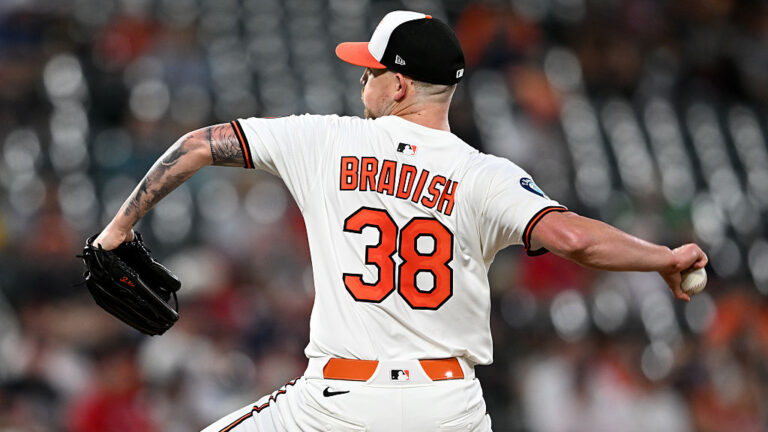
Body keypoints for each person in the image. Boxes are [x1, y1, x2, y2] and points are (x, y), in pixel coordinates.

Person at [91, 10, 708, 432]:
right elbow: (574, 239)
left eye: (373, 69)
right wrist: (665, 258)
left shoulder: (324, 141)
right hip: (451, 408)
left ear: (401, 86)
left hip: (342, 405)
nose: (363, 76)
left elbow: (200, 143)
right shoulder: (486, 174)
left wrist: (116, 232)